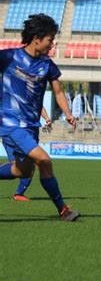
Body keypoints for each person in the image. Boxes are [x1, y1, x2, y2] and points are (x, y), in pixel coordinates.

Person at [0, 13, 80, 221]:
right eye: (50, 39)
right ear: (37, 38)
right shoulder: (8, 57)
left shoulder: (47, 65)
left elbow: (58, 92)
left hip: (31, 126)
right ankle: (63, 210)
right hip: (10, 123)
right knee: (44, 160)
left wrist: (68, 113)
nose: (52, 44)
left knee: (22, 171)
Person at [11, 107, 52, 202]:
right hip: (21, 131)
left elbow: (39, 105)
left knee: (24, 168)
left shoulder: (33, 96)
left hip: (30, 130)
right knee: (31, 165)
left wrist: (47, 118)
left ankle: (19, 193)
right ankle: (19, 193)